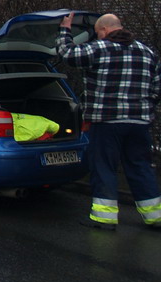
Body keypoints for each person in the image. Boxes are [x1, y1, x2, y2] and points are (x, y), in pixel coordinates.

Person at [57, 12, 161, 230]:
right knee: (140, 166)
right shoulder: (147, 52)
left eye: (97, 33)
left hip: (107, 121)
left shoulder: (99, 48)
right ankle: (155, 217)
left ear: (103, 30)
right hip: (139, 122)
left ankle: (104, 218)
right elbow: (157, 87)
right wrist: (145, 106)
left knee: (104, 166)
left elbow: (67, 54)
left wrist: (65, 29)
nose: (98, 36)